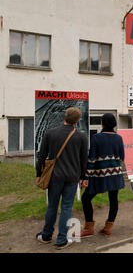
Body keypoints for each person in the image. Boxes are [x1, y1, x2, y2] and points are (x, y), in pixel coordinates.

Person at [35, 107, 88, 250]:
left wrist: (38, 174)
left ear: (64, 117)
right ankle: (62, 240)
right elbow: (84, 160)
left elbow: (41, 155)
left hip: (54, 176)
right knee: (66, 207)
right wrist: (84, 177)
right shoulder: (81, 137)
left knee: (52, 206)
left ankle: (46, 236)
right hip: (72, 176)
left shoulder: (50, 133)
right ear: (77, 120)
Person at [79, 113, 125, 238]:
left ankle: (89, 228)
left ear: (102, 123)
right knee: (113, 199)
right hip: (115, 173)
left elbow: (92, 159)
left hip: (99, 175)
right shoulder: (119, 138)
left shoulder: (96, 137)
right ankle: (108, 227)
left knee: (86, 199)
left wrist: (86, 176)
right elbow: (122, 157)